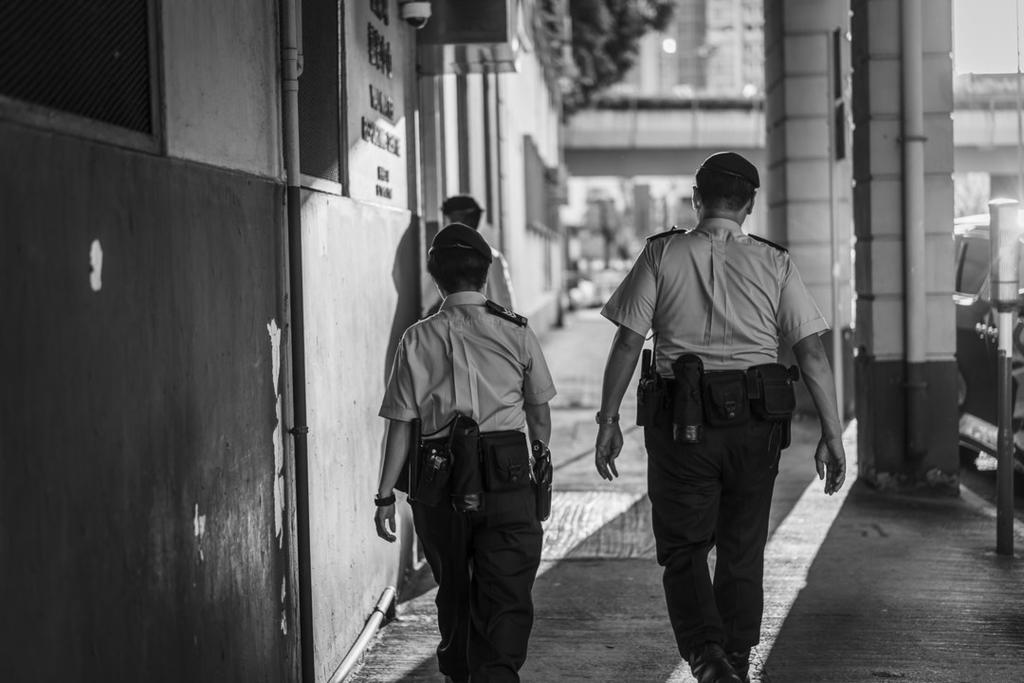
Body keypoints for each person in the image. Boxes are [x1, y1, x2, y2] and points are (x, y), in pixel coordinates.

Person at [592, 152, 846, 683]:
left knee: (683, 548)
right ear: (749, 205)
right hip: (757, 427)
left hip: (681, 426)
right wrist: (832, 433)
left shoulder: (661, 253)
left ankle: (707, 656)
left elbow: (628, 342)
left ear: (696, 199)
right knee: (742, 548)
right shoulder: (776, 263)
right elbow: (812, 354)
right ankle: (737, 659)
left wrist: (608, 420)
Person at [374, 222, 556, 683]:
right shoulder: (516, 332)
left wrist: (385, 496)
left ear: (436, 279)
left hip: (440, 482)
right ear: (486, 273)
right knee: (508, 589)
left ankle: (460, 670)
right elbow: (538, 413)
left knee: (453, 587)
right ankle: (496, 674)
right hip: (507, 475)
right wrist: (537, 463)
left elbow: (401, 425)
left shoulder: (416, 338)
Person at [441, 194, 516, 311]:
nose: (448, 226)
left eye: (452, 220)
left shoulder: (493, 257)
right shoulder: (494, 256)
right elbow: (506, 303)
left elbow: (504, 302)